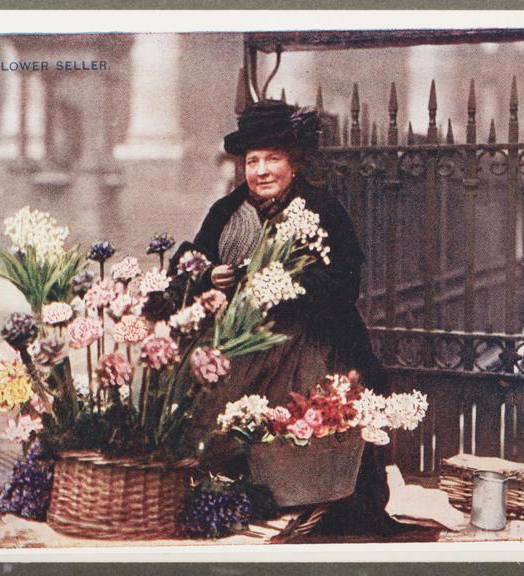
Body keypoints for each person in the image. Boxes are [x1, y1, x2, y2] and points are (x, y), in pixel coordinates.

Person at [171, 99, 407, 537]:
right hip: (235, 337)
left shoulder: (321, 209)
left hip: (307, 339)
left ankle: (291, 499)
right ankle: (225, 495)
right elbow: (185, 267)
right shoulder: (226, 212)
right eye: (252, 160)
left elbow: (344, 279)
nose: (261, 171)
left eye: (272, 159)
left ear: (293, 164)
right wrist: (209, 274)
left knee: (300, 406)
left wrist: (287, 285)